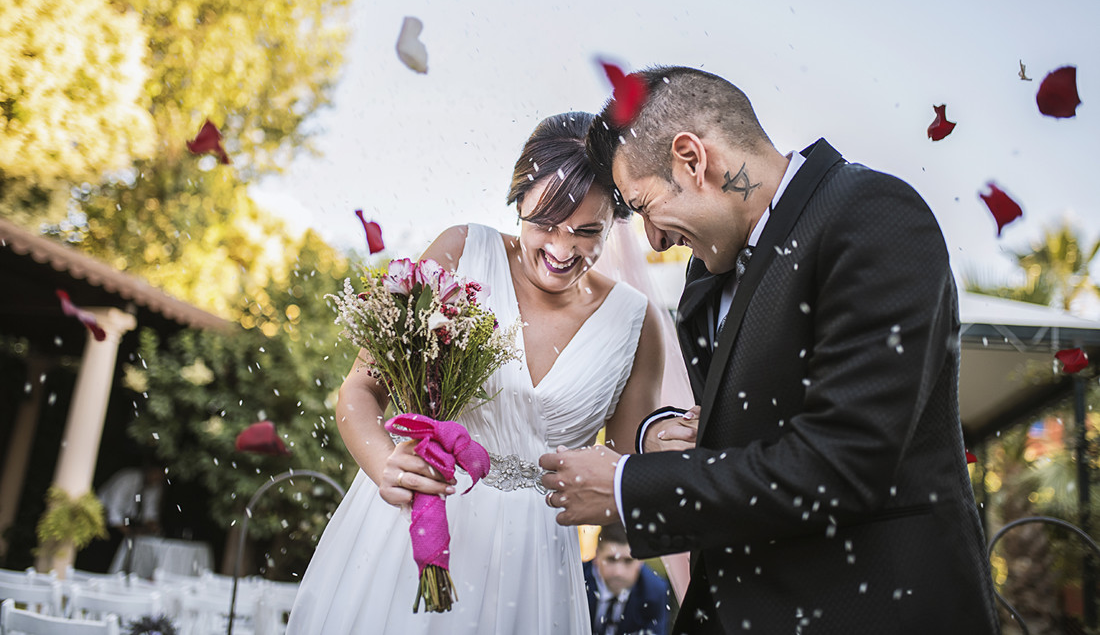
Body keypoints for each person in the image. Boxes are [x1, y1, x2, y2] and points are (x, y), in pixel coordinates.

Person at [540, 67, 1000, 634]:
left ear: (691, 159)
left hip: (864, 611)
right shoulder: (705, 275)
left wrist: (624, 487)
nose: (651, 238)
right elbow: (740, 431)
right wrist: (669, 430)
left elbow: (841, 463)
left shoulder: (870, 215)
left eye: (643, 205)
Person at [288, 112, 665, 634]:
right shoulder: (463, 252)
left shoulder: (635, 322)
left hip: (535, 565)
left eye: (586, 232)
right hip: (417, 521)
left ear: (613, 225)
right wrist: (383, 465)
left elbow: (620, 477)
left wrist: (670, 449)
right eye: (544, 223)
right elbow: (359, 390)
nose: (561, 249)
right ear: (517, 203)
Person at [583, 523, 670, 635]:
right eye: (611, 559)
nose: (618, 572)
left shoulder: (654, 591)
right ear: (597, 556)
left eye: (628, 561)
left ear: (640, 560)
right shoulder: (577, 582)